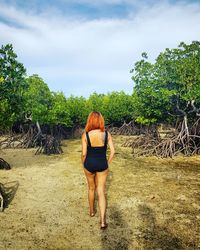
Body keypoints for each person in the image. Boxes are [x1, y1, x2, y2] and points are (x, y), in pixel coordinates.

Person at [81, 111, 115, 229]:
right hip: (102, 164)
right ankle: (102, 221)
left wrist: (83, 164)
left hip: (89, 164)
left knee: (91, 188)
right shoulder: (107, 134)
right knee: (101, 191)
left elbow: (84, 154)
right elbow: (113, 152)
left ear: (89, 120)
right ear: (101, 120)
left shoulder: (86, 135)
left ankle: (91, 211)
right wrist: (107, 163)